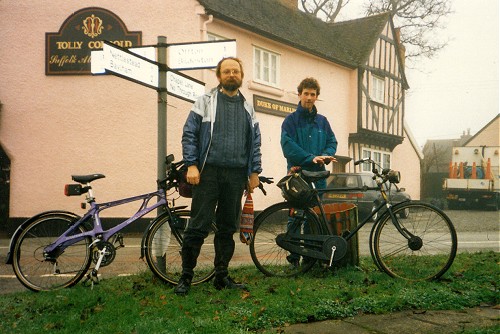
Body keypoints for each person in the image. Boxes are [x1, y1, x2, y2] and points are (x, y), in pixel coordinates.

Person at [175, 57, 262, 296]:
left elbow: (255, 142)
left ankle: (221, 276)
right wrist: (192, 165)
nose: (231, 74)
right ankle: (186, 277)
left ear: (241, 75)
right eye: (227, 71)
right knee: (198, 226)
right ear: (219, 76)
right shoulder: (204, 102)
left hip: (235, 176)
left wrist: (254, 171)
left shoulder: (248, 107)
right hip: (208, 173)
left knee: (226, 228)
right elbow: (189, 134)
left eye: (235, 71)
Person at [280, 77, 338, 267]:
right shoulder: (290, 121)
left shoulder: (323, 122)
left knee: (314, 218)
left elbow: (332, 142)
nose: (309, 97)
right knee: (296, 216)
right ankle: (293, 257)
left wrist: (326, 155)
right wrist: (310, 158)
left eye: (313, 94)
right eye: (306, 93)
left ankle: (310, 258)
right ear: (299, 94)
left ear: (316, 97)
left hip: (318, 176)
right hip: (298, 175)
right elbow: (288, 146)